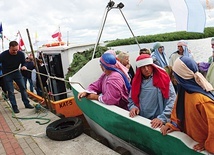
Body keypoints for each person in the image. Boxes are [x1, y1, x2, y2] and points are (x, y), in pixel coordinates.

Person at [160, 56, 214, 153]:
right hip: (192, 141)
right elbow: (177, 112)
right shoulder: (184, 92)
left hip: (202, 145)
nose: (174, 77)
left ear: (181, 77)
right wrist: (172, 125)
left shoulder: (202, 101)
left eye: (175, 74)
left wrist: (206, 144)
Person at [128, 54, 176, 128]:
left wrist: (163, 118)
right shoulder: (136, 82)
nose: (146, 69)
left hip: (158, 120)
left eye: (148, 66)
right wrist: (133, 107)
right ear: (139, 69)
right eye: (143, 67)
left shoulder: (163, 78)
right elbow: (131, 99)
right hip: (142, 118)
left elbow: (172, 99)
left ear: (152, 65)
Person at [0, 41, 34, 113]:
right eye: (13, 50)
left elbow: (24, 62)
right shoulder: (3, 55)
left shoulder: (21, 54)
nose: (15, 52)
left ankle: (26, 103)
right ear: (9, 48)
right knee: (10, 91)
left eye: (16, 50)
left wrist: (24, 66)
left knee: (23, 87)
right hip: (7, 74)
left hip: (16, 72)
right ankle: (14, 107)